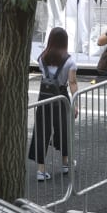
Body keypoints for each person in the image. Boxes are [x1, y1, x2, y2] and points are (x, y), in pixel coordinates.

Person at [28, 27, 78, 181]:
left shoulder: (42, 58)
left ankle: (41, 170)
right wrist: (75, 104)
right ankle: (65, 163)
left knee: (42, 130)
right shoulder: (70, 61)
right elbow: (72, 83)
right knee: (63, 129)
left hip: (45, 96)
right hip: (61, 96)